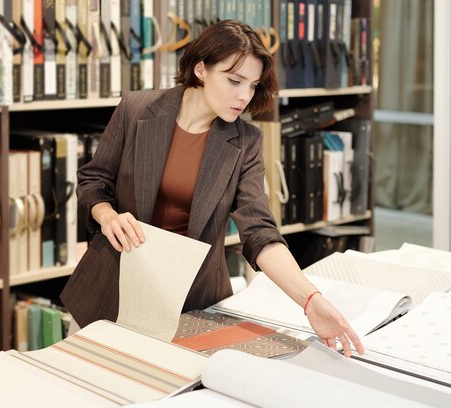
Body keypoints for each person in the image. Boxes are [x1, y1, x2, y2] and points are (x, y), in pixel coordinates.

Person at [60, 19, 364, 356]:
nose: (244, 96)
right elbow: (93, 181)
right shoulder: (137, 109)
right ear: (201, 69)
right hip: (109, 288)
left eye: (253, 85)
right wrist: (108, 217)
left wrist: (310, 300)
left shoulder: (245, 141)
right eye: (234, 81)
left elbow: (259, 231)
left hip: (191, 300)